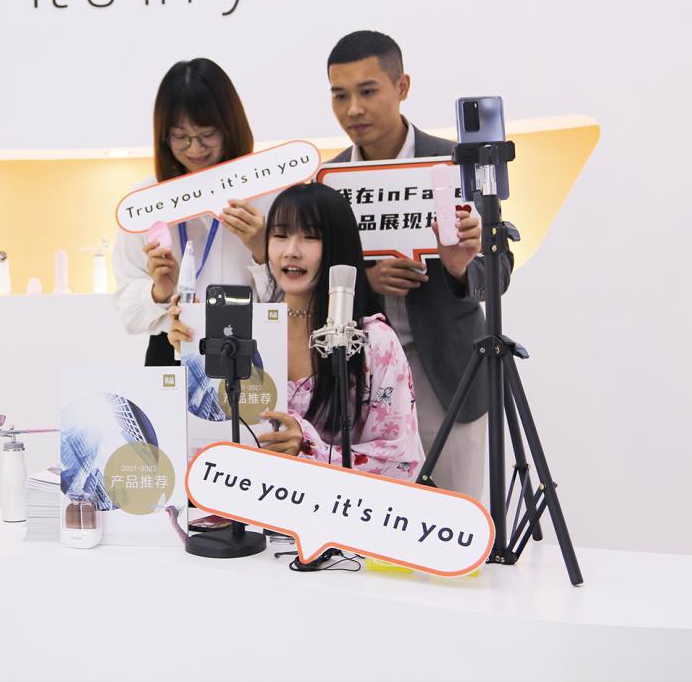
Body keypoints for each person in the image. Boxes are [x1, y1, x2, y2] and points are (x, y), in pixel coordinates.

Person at [324, 30, 513, 497]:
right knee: (371, 518)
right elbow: (315, 281)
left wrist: (460, 267)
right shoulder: (330, 181)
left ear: (402, 86)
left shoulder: (456, 163)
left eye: (368, 91)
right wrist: (366, 280)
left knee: (457, 517)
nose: (353, 109)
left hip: (447, 374)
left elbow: (498, 273)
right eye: (340, 95)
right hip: (359, 379)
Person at [168, 183, 423, 479]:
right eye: (280, 235)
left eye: (311, 237)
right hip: (247, 500)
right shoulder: (242, 331)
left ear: (338, 245)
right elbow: (204, 436)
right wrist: (191, 355)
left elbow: (400, 463)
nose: (291, 251)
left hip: (334, 506)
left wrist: (309, 449)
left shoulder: (372, 341)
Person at [112, 58, 273, 366]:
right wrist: (158, 291)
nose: (195, 148)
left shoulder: (267, 192)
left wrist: (261, 251)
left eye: (207, 134)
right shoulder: (146, 201)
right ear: (163, 136)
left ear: (230, 127)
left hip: (252, 351)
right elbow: (127, 311)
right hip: (172, 351)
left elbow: (294, 299)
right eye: (181, 137)